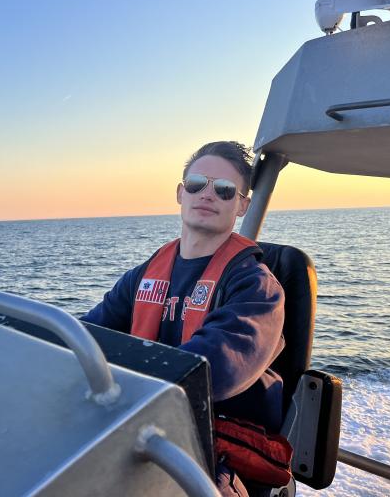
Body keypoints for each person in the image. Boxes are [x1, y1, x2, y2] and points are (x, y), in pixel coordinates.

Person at [81, 141, 285, 496]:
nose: (208, 195)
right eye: (196, 184)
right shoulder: (143, 276)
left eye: (224, 190)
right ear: (180, 192)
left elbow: (212, 371)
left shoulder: (257, 288)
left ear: (242, 206)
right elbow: (87, 335)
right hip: (147, 430)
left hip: (214, 452)